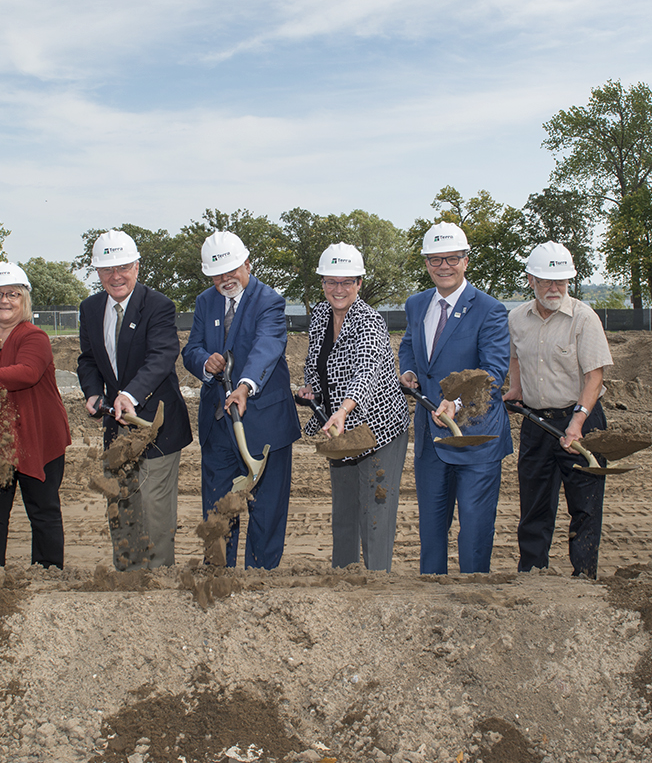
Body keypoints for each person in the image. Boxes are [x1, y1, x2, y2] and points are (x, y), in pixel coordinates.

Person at [181, 231, 301, 569]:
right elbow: (190, 349)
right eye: (217, 274)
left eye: (231, 271)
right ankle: (217, 576)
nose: (224, 280)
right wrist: (205, 361)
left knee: (266, 510)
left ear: (247, 264)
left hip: (265, 425)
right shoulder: (206, 301)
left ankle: (260, 577)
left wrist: (245, 386)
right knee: (218, 505)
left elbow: (267, 346)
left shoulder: (269, 301)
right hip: (219, 425)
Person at [398, 222, 512, 574]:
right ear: (426, 263)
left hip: (475, 435)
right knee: (432, 527)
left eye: (451, 258)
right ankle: (432, 590)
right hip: (431, 435)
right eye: (435, 260)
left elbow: (493, 372)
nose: (443, 266)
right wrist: (410, 371)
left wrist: (457, 404)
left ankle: (472, 594)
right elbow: (408, 346)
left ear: (466, 260)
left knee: (475, 527)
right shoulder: (417, 305)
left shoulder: (489, 310)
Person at [76, 230, 193, 570]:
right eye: (107, 269)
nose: (116, 276)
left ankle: (157, 578)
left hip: (156, 424)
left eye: (124, 267)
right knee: (120, 501)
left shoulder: (157, 305)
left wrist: (129, 394)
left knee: (154, 508)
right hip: (117, 425)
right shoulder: (91, 308)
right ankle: (127, 576)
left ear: (137, 267)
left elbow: (161, 356)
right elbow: (87, 360)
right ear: (97, 272)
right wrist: (94, 392)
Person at [297, 243, 410, 571]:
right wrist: (312, 388)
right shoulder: (320, 315)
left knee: (375, 512)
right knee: (344, 511)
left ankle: (377, 584)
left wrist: (344, 409)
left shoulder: (369, 321)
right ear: (322, 284)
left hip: (377, 428)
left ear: (359, 283)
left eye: (347, 282)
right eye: (331, 282)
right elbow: (317, 360)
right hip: (340, 428)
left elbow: (367, 370)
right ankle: (343, 579)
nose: (338, 289)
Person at [504, 241, 613, 578]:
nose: (554, 288)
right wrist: (516, 389)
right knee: (534, 505)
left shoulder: (583, 318)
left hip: (580, 418)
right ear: (530, 279)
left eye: (561, 281)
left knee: (585, 505)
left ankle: (584, 575)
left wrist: (577, 421)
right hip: (538, 422)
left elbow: (595, 377)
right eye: (546, 281)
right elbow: (515, 358)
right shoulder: (517, 318)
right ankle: (533, 573)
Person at [0, 263, 72, 568]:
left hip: (37, 435)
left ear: (24, 299)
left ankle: (49, 571)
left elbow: (27, 373)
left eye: (13, 294)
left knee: (42, 508)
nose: (5, 300)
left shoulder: (34, 336)